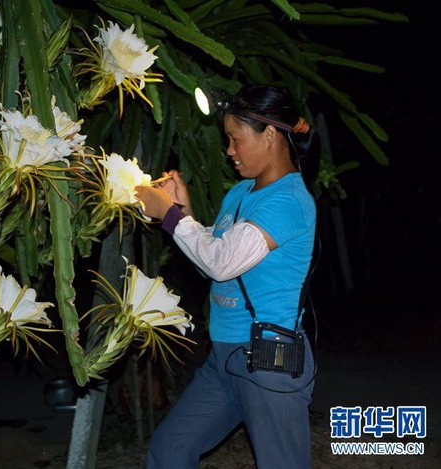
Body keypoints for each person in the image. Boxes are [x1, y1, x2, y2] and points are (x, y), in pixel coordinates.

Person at [135, 84, 317, 469]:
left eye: (235, 139)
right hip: (223, 360)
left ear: (269, 134)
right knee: (169, 450)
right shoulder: (238, 194)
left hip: (269, 361)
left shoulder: (288, 201)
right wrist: (183, 215)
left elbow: (221, 262)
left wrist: (170, 215)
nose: (229, 150)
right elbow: (213, 265)